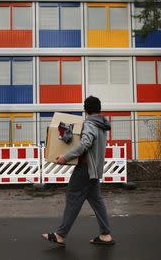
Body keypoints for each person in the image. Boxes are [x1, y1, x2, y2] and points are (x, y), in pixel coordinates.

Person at [42, 96, 115, 247]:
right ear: (99, 109)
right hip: (94, 170)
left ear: (85, 109)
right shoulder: (101, 125)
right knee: (96, 200)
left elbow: (85, 143)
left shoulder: (89, 124)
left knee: (73, 198)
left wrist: (65, 156)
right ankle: (105, 235)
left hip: (85, 169)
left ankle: (60, 235)